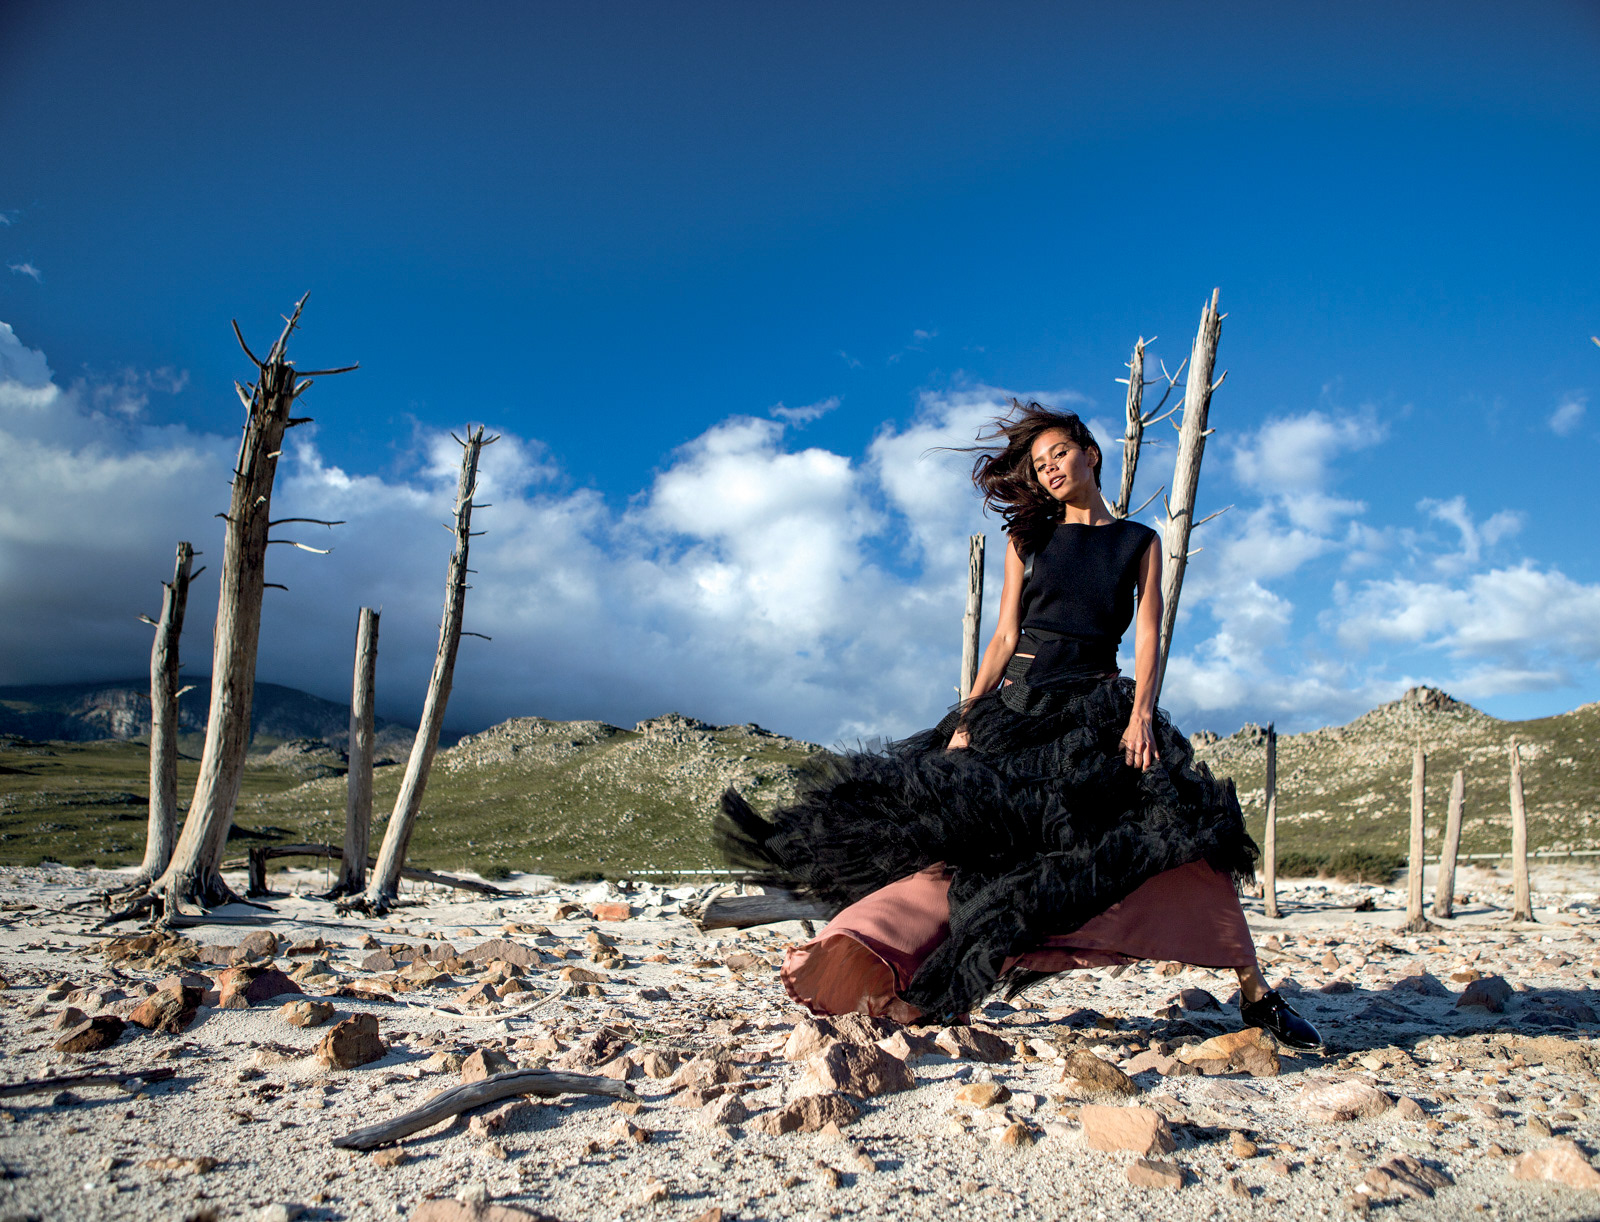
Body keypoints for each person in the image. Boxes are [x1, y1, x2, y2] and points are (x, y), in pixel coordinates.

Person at [716, 400, 1319, 1049]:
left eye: (1060, 453)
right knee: (963, 848)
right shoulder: (1029, 540)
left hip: (1096, 716)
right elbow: (1005, 636)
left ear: (1090, 454)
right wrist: (967, 719)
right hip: (1017, 712)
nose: (1051, 468)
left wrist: (1141, 715)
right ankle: (877, 958)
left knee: (1185, 831)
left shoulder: (1138, 542)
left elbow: (1149, 636)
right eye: (1039, 464)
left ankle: (1256, 992)